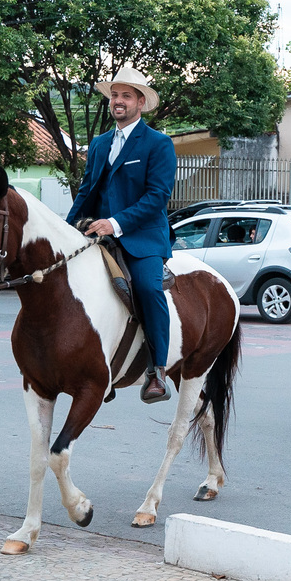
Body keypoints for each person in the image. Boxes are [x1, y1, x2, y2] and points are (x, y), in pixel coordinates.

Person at [67, 66, 177, 404]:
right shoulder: (99, 145)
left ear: (140, 103)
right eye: (114, 95)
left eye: (126, 96)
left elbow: (157, 197)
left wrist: (113, 223)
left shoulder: (159, 144)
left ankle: (156, 371)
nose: (118, 101)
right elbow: (86, 192)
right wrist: (66, 232)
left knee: (145, 287)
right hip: (100, 235)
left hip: (142, 237)